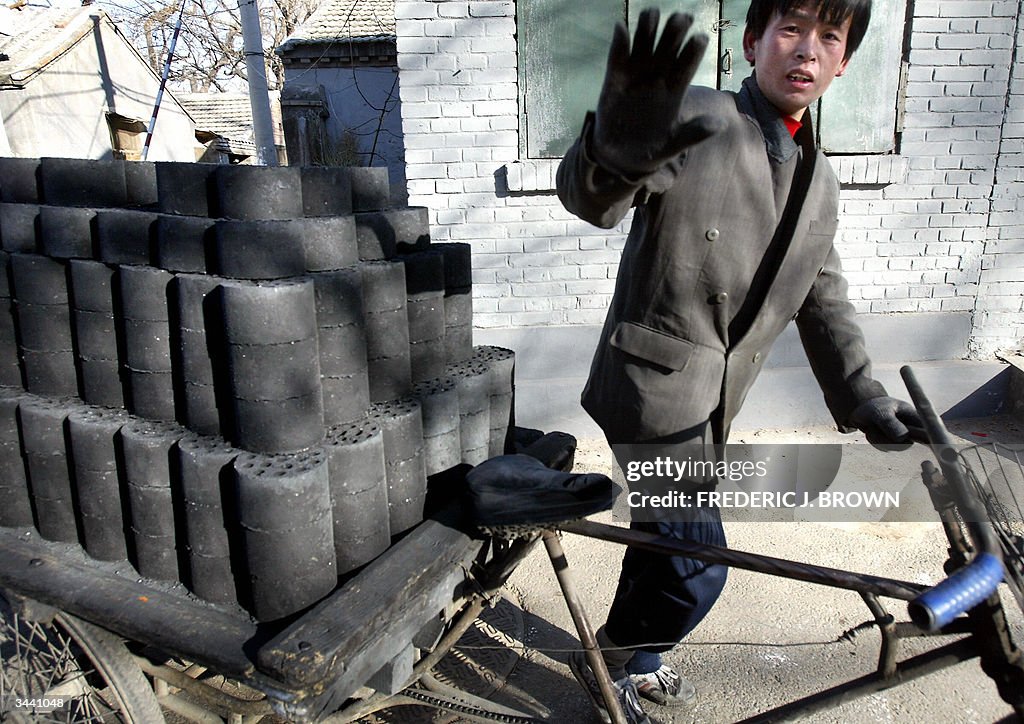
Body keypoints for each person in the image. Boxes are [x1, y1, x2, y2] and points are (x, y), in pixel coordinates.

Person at [556, 1, 924, 722]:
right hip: (651, 391)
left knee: (662, 543)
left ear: (844, 62)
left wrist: (863, 396)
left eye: (829, 37)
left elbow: (824, 296)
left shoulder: (819, 178)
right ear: (753, 41)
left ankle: (642, 655)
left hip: (719, 399)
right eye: (790, 29)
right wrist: (610, 155)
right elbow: (590, 199)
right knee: (696, 566)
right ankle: (609, 660)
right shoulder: (698, 116)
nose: (806, 51)